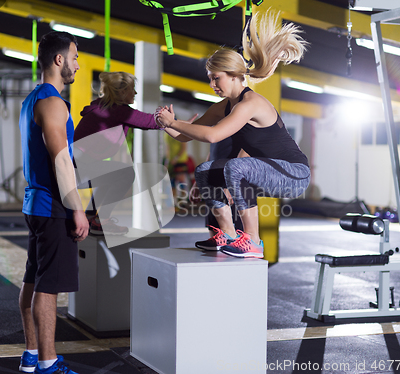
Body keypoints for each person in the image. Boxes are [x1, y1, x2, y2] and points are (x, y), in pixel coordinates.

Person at [157, 11, 311, 258]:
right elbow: (187, 136)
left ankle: (253, 241)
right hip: (268, 169)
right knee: (205, 171)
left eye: (216, 78)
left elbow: (212, 136)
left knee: (236, 168)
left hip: (294, 173)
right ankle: (227, 233)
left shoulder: (250, 103)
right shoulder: (224, 106)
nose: (212, 85)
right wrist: (167, 125)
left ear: (235, 76)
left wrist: (175, 122)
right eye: (210, 79)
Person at [18, 31, 88, 374]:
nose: (77, 63)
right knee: (48, 288)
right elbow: (62, 160)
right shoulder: (53, 102)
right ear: (59, 60)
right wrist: (77, 209)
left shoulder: (32, 100)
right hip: (51, 206)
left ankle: (31, 356)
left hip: (35, 205)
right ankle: (48, 363)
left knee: (33, 280)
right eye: (74, 57)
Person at [74, 71, 195, 235]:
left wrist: (177, 123)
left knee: (117, 173)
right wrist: (177, 123)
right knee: (125, 173)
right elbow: (151, 121)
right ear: (123, 93)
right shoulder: (118, 111)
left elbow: (149, 122)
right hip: (76, 171)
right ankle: (100, 219)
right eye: (132, 89)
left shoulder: (102, 108)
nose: (136, 93)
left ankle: (92, 217)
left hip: (75, 168)